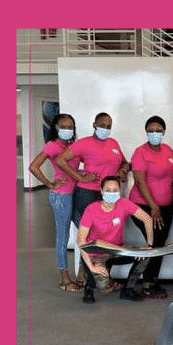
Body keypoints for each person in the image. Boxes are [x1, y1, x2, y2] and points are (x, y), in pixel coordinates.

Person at [77, 176, 153, 304]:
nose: (112, 193)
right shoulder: (92, 209)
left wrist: (149, 246)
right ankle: (89, 287)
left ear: (120, 191)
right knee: (102, 286)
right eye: (108, 190)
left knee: (145, 256)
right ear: (101, 190)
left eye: (115, 190)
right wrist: (91, 266)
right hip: (95, 254)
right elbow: (81, 240)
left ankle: (127, 289)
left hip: (116, 251)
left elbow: (147, 219)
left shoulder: (123, 203)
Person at [29, 113, 83, 292]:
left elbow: (78, 166)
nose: (68, 130)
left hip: (75, 194)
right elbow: (33, 166)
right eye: (64, 127)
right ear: (56, 128)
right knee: (63, 237)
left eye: (71, 127)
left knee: (85, 230)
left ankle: (82, 274)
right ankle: (65, 279)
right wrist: (50, 184)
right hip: (61, 196)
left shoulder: (73, 146)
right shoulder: (53, 146)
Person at [128, 116, 173, 299]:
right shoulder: (140, 152)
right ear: (146, 132)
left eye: (158, 130)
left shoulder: (168, 150)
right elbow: (140, 182)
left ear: (164, 132)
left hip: (166, 206)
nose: (154, 133)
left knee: (160, 244)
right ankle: (147, 284)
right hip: (144, 206)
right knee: (155, 242)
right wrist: (154, 206)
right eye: (151, 130)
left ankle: (152, 280)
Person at [56, 112, 129, 227]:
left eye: (108, 126)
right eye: (102, 125)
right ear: (94, 125)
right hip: (88, 193)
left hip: (109, 193)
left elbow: (124, 163)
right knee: (88, 228)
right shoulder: (84, 143)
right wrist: (80, 177)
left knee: (106, 227)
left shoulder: (113, 143)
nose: (105, 129)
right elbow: (60, 160)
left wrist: (122, 171)